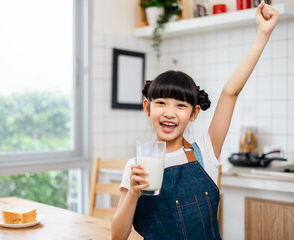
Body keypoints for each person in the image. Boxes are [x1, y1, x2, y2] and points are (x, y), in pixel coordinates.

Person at [111, 1, 279, 239]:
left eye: (180, 105)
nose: (170, 112)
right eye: (161, 103)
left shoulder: (206, 152)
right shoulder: (135, 167)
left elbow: (230, 92)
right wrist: (133, 194)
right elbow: (118, 236)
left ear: (193, 114)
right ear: (148, 108)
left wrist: (263, 33)